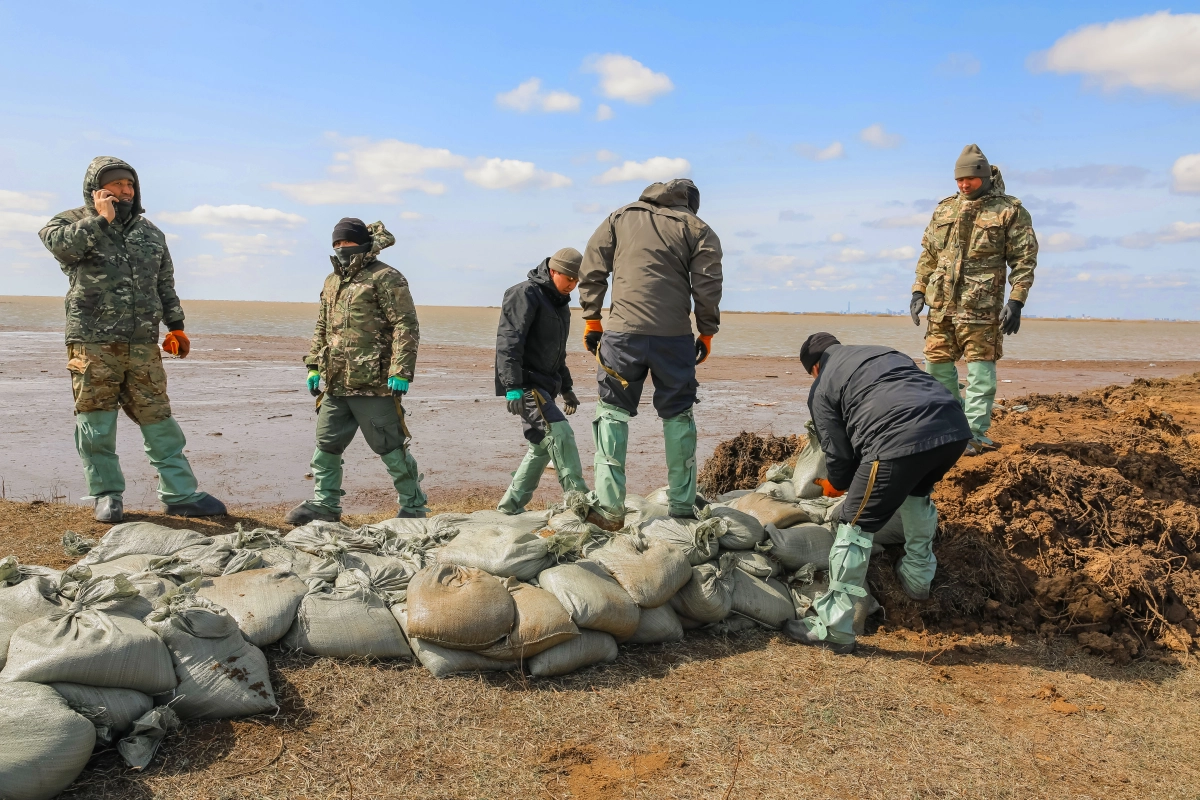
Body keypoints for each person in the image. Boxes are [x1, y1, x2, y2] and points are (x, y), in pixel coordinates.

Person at [39, 156, 227, 523]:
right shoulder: (69, 223)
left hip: (142, 344)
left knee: (159, 418)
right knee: (96, 423)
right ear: (97, 187)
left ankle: (180, 494)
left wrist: (176, 325)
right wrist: (100, 220)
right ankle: (107, 495)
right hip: (92, 342)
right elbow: (63, 249)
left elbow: (164, 283)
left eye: (130, 184)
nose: (125, 190)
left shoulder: (150, 233)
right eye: (116, 184)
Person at [785, 333, 971, 654]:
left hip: (897, 437)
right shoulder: (882, 352)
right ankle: (917, 581)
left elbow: (838, 454)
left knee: (854, 522)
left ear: (814, 368)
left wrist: (836, 485)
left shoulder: (822, 384)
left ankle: (834, 629)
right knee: (917, 493)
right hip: (952, 427)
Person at [577, 178, 723, 530]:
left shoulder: (619, 217)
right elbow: (707, 285)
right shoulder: (699, 229)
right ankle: (683, 506)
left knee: (612, 412)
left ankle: (610, 508)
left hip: (622, 334)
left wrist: (592, 319)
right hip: (673, 338)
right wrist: (707, 331)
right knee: (678, 413)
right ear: (691, 205)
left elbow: (593, 268)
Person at [284, 218, 427, 525]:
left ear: (361, 243)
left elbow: (406, 324)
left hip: (374, 383)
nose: (341, 248)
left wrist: (401, 370)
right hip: (335, 383)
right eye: (336, 244)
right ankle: (325, 503)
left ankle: (413, 506)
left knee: (389, 446)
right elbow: (322, 326)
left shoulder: (386, 277)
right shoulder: (332, 281)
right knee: (326, 444)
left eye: (347, 243)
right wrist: (312, 365)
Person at [910, 144, 1038, 455]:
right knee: (936, 368)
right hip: (940, 306)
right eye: (959, 180)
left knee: (981, 372)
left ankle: (975, 433)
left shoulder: (1009, 210)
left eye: (970, 179)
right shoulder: (944, 209)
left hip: (981, 308)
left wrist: (1017, 301)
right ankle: (950, 428)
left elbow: (1024, 259)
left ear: (983, 176)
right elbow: (929, 254)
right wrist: (917, 290)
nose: (964, 185)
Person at [494, 248, 589, 513]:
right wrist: (511, 386)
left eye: (576, 281)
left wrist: (567, 387)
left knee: (540, 448)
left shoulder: (560, 303)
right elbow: (508, 342)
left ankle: (510, 506)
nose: (572, 284)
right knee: (561, 434)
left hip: (546, 384)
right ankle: (581, 503)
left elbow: (557, 352)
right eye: (568, 278)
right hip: (525, 384)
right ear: (553, 271)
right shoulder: (524, 293)